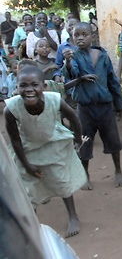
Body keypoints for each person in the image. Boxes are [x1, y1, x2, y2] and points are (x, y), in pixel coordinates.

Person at [4, 66, 88, 238]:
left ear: (44, 85)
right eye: (23, 85)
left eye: (34, 85)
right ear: (16, 87)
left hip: (52, 143)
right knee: (28, 188)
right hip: (27, 149)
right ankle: (34, 224)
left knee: (61, 181)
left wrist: (78, 140)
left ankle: (73, 214)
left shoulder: (54, 100)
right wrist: (26, 165)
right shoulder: (11, 109)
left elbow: (73, 117)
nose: (29, 90)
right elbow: (15, 140)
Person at [62, 22, 122, 190]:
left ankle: (118, 170)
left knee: (113, 139)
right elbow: (71, 73)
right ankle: (85, 174)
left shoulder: (103, 55)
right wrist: (67, 61)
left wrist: (119, 103)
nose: (80, 38)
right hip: (85, 108)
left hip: (105, 107)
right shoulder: (74, 56)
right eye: (77, 35)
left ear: (93, 36)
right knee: (84, 141)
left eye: (84, 34)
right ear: (72, 37)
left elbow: (112, 80)